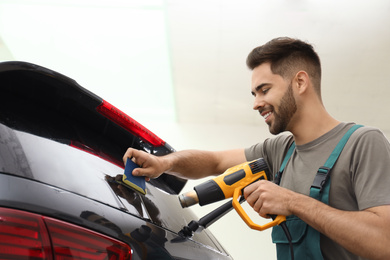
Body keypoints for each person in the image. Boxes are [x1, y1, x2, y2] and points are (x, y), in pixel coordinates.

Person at [123, 37, 390, 260]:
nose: (256, 103)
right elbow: (215, 162)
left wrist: (292, 202)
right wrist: (165, 163)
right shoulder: (280, 150)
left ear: (300, 82)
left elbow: (384, 242)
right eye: (254, 94)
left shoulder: (362, 142)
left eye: (264, 90)